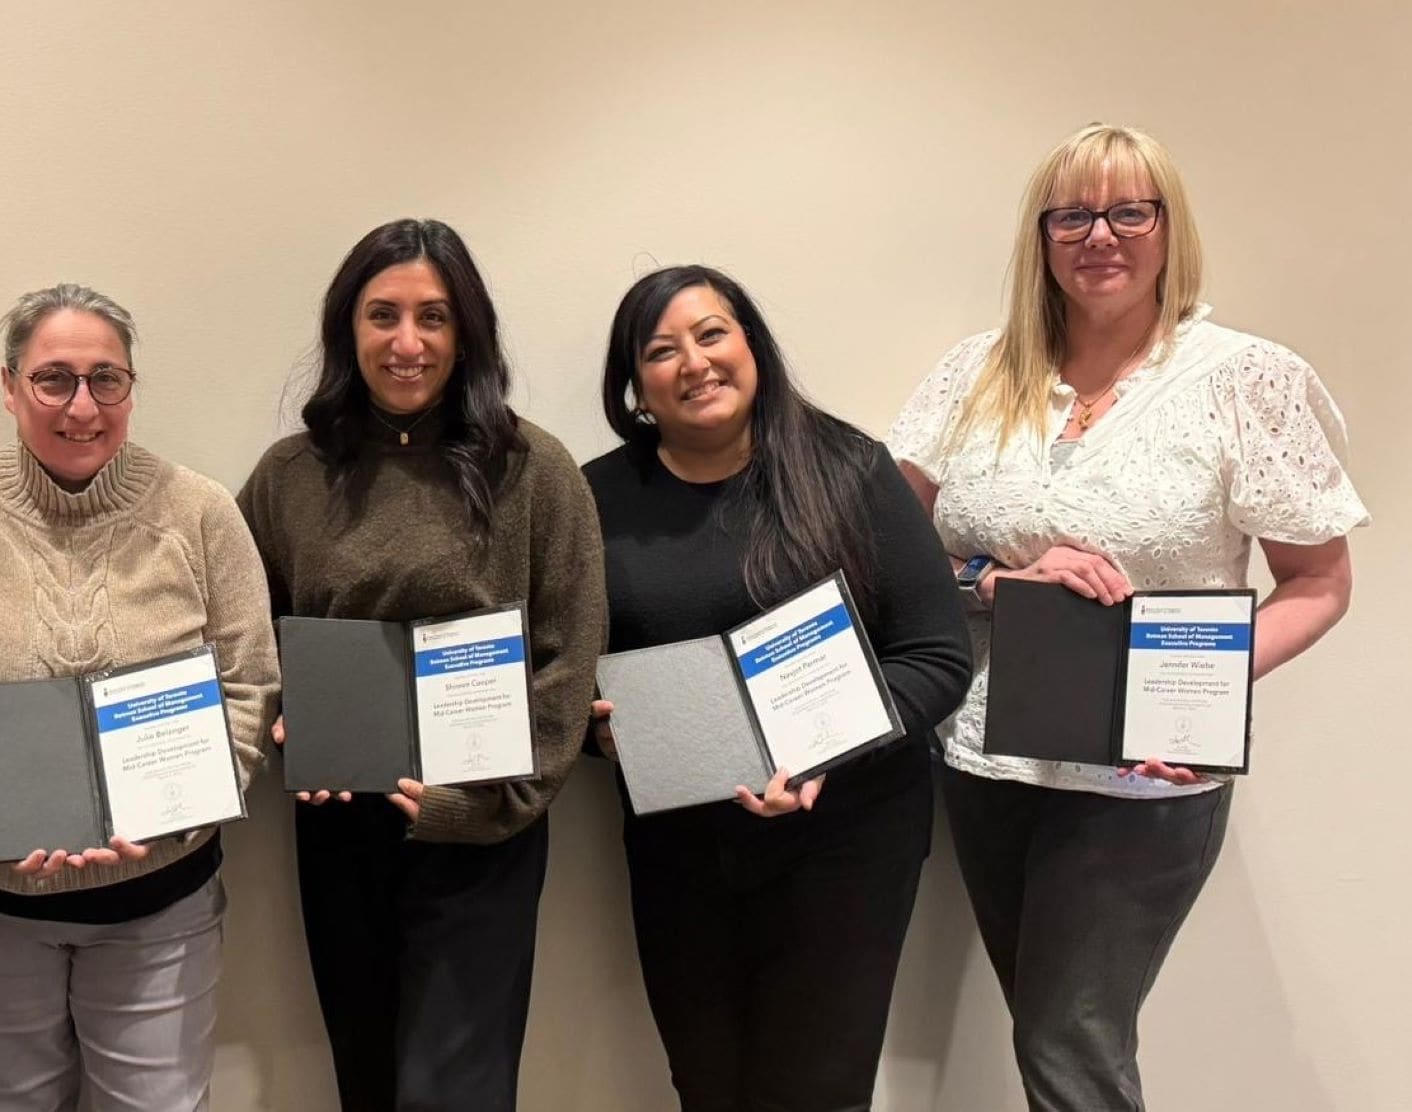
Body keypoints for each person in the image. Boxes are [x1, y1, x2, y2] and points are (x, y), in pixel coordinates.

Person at [888, 123, 1368, 1111]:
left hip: (1142, 774)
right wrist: (987, 577)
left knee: (1068, 1041)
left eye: (1125, 209)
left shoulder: (1242, 378)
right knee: (1052, 1035)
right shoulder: (975, 373)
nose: (1097, 234)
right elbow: (888, 553)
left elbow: (1318, 580)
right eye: (1070, 213)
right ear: (1040, 234)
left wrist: (1211, 699)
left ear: (1166, 227)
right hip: (982, 758)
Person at [0, 283, 279, 1112]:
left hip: (159, 900)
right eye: (53, 379)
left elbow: (248, 685)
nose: (82, 406)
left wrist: (180, 810)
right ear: (9, 386)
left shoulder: (201, 513)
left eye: (108, 379)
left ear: (133, 387)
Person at [236, 218, 607, 1111]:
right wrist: (287, 723)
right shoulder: (291, 475)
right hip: (340, 825)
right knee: (365, 1078)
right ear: (347, 330)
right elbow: (248, 632)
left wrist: (488, 805)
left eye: (434, 318)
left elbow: (568, 655)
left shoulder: (534, 470)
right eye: (383, 315)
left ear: (466, 332)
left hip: (483, 831)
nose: (408, 343)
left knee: (456, 1093)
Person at [583, 265, 973, 1111]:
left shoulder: (848, 469)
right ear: (636, 387)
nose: (695, 362)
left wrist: (825, 750)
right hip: (681, 852)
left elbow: (937, 656)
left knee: (818, 1091)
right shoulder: (595, 499)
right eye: (661, 350)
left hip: (847, 839)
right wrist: (594, 731)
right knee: (708, 1086)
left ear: (752, 344)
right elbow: (569, 672)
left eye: (713, 334)